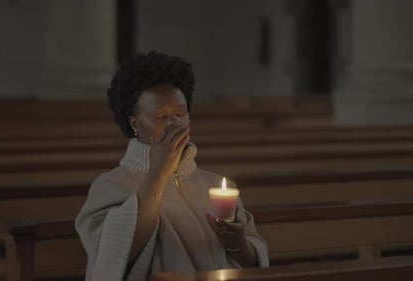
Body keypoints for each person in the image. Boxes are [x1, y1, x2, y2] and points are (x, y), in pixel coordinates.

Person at [75, 51, 269, 281]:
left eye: (181, 113)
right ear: (135, 123)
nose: (174, 123)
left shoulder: (214, 184)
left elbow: (255, 265)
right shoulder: (110, 186)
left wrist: (237, 243)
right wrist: (157, 173)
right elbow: (114, 257)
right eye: (161, 116)